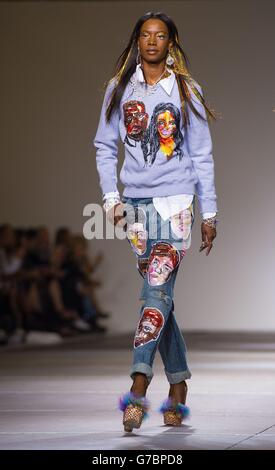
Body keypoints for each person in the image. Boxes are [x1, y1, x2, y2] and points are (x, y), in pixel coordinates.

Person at [93, 11, 218, 432]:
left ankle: (139, 386)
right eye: (145, 35)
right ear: (137, 41)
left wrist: (210, 211)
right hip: (136, 206)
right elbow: (104, 146)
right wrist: (111, 197)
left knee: (156, 291)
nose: (152, 42)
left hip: (179, 203)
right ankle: (178, 387)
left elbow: (202, 154)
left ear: (171, 43)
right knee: (158, 297)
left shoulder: (186, 90)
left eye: (160, 36)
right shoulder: (118, 89)